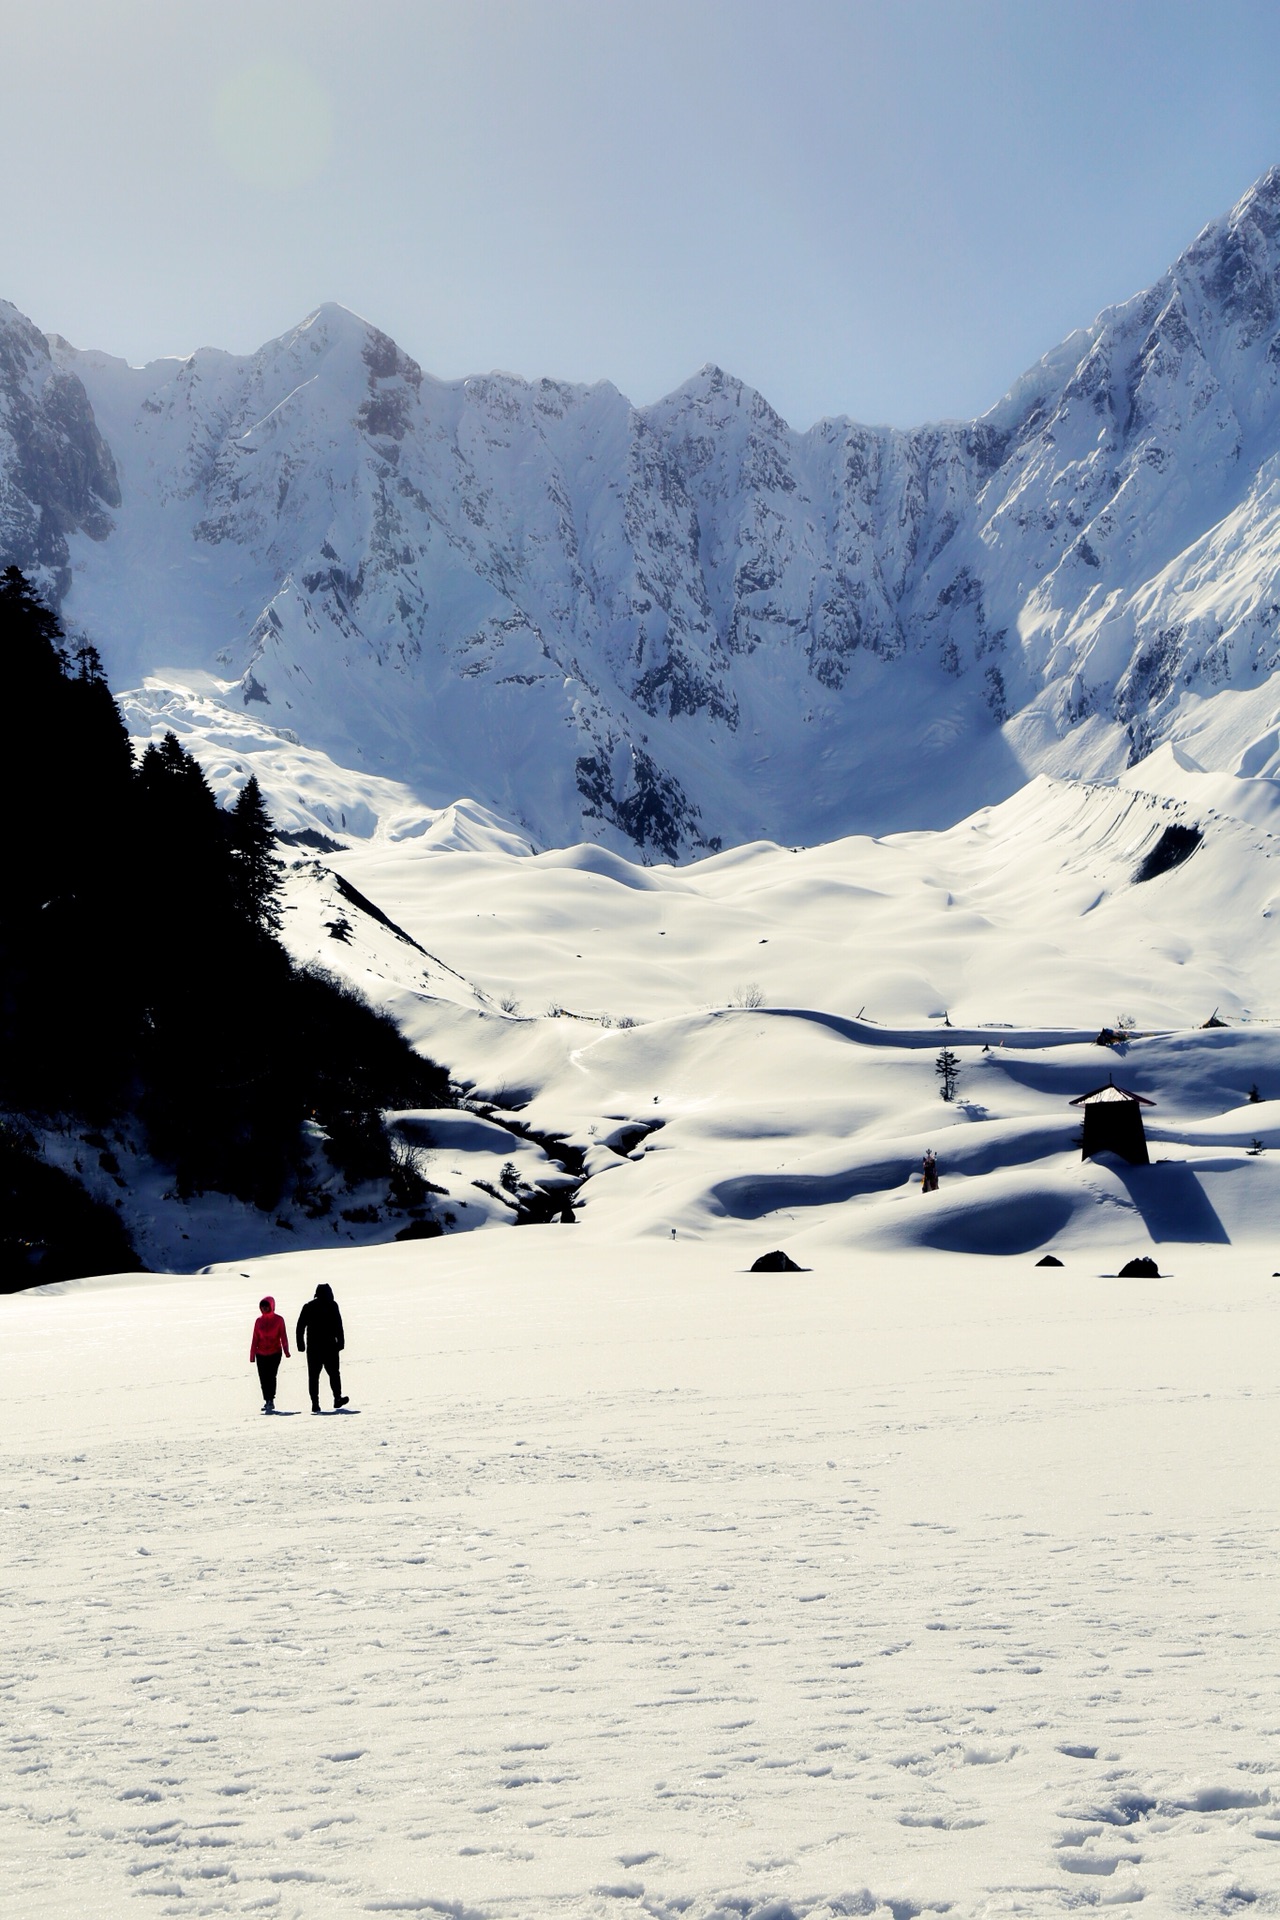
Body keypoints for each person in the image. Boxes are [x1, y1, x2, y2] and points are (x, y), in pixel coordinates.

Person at [296, 1281, 349, 1413]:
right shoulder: (331, 1305)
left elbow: (300, 1327)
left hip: (316, 1348)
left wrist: (301, 1345)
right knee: (333, 1374)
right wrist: (341, 1342)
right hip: (329, 1346)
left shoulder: (309, 1306)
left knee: (314, 1377)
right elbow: (339, 1325)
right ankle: (336, 1398)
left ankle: (316, 1403)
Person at [249, 1295, 290, 1412]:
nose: (264, 1308)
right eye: (262, 1306)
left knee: (271, 1376)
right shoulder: (259, 1321)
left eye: (266, 1306)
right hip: (260, 1354)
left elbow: (283, 1336)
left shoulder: (279, 1320)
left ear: (271, 1306)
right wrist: (252, 1355)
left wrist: (286, 1350)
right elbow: (255, 1338)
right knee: (263, 1378)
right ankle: (267, 1400)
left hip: (275, 1353)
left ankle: (271, 1399)